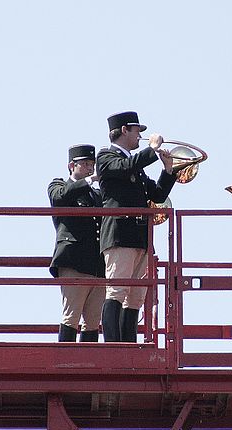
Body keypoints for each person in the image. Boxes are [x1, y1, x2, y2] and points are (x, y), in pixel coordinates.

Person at [97, 111, 175, 342]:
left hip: (139, 237)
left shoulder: (134, 165)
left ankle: (128, 345)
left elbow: (158, 195)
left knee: (135, 296)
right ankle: (114, 346)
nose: (139, 136)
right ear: (124, 130)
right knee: (117, 290)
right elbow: (125, 166)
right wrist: (151, 150)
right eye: (136, 131)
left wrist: (168, 169)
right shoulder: (106, 156)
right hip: (120, 235)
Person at [48, 144, 105, 343]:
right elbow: (60, 197)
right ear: (72, 165)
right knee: (71, 315)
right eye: (86, 164)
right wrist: (89, 181)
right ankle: (66, 359)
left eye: (92, 164)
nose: (91, 168)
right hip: (74, 260)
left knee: (92, 320)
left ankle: (88, 361)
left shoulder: (96, 195)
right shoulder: (58, 184)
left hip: (97, 264)